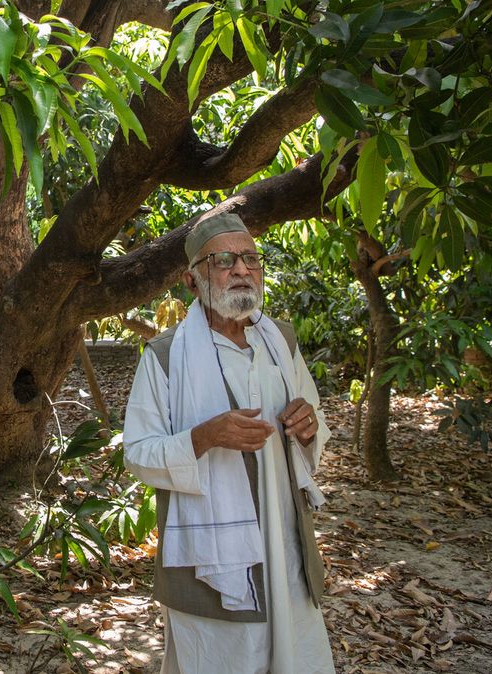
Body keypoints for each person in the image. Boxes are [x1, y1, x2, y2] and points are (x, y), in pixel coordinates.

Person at [122, 211, 334, 674]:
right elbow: (138, 453)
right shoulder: (164, 356)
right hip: (213, 563)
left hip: (286, 546)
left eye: (250, 259)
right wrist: (202, 438)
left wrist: (309, 426)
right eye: (224, 260)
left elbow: (315, 425)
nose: (241, 269)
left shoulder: (282, 342)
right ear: (193, 281)